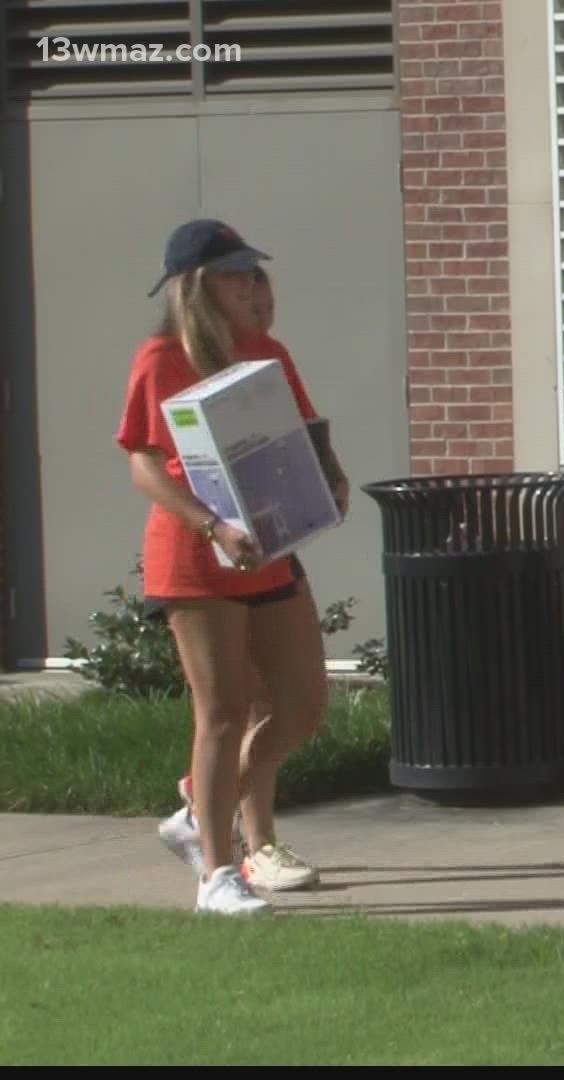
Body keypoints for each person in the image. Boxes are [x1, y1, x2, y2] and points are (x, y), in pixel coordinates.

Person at [116, 221, 340, 914]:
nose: (253, 285)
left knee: (301, 707)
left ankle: (197, 808)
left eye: (255, 272)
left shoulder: (266, 354)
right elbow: (143, 464)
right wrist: (210, 522)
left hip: (270, 551)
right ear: (197, 287)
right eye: (236, 272)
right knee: (222, 713)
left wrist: (330, 478)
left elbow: (305, 431)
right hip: (194, 555)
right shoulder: (161, 358)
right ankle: (217, 874)